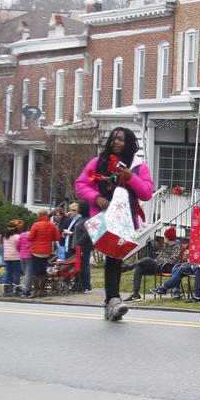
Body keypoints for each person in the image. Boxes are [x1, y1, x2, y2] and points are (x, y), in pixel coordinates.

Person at [75, 127, 154, 321]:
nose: (116, 142)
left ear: (129, 143)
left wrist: (131, 177)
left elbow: (146, 193)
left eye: (121, 139)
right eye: (113, 139)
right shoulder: (98, 163)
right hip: (102, 219)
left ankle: (111, 303)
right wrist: (97, 197)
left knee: (115, 258)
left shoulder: (138, 166)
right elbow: (81, 184)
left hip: (125, 220)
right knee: (112, 257)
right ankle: (113, 300)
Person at [123, 228, 183, 301]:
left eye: (164, 236)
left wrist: (157, 261)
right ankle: (135, 294)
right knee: (139, 267)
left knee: (148, 259)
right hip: (158, 266)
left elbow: (173, 260)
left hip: (166, 267)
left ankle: (129, 267)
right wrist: (155, 261)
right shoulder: (166, 245)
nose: (164, 238)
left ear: (167, 238)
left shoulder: (177, 246)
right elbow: (160, 257)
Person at [27, 208, 60, 298]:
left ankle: (35, 291)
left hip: (36, 251)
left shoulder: (36, 225)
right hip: (46, 252)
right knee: (43, 272)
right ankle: (42, 290)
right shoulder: (52, 225)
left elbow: (30, 237)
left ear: (40, 215)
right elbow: (57, 237)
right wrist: (49, 239)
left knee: (36, 273)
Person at [70, 199, 93, 293]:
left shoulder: (88, 220)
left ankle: (86, 286)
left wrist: (79, 242)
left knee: (84, 266)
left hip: (84, 247)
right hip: (78, 246)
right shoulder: (81, 218)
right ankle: (79, 284)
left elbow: (87, 234)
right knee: (79, 266)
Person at [1, 219, 25, 296]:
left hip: (7, 257)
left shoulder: (5, 237)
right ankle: (16, 287)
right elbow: (19, 247)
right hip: (16, 257)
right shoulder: (17, 237)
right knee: (16, 273)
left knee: (8, 272)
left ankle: (7, 288)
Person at [17, 224, 33, 297]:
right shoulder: (33, 235)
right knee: (28, 274)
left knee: (24, 273)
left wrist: (20, 251)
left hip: (22, 255)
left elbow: (18, 245)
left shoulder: (22, 235)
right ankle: (27, 291)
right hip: (30, 256)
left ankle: (24, 287)